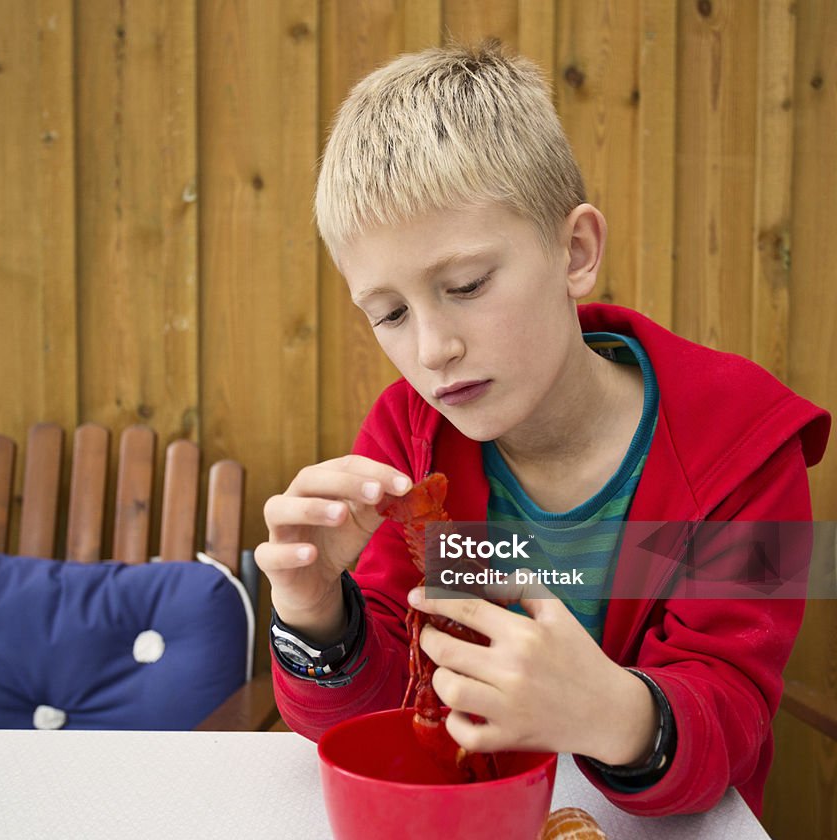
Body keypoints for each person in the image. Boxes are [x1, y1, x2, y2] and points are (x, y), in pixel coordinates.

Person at [254, 40, 830, 817]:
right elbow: (375, 719)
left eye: (466, 285)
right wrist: (318, 615)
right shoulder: (409, 437)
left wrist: (610, 712)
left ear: (575, 251)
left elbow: (733, 705)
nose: (432, 350)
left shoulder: (747, 448)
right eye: (389, 313)